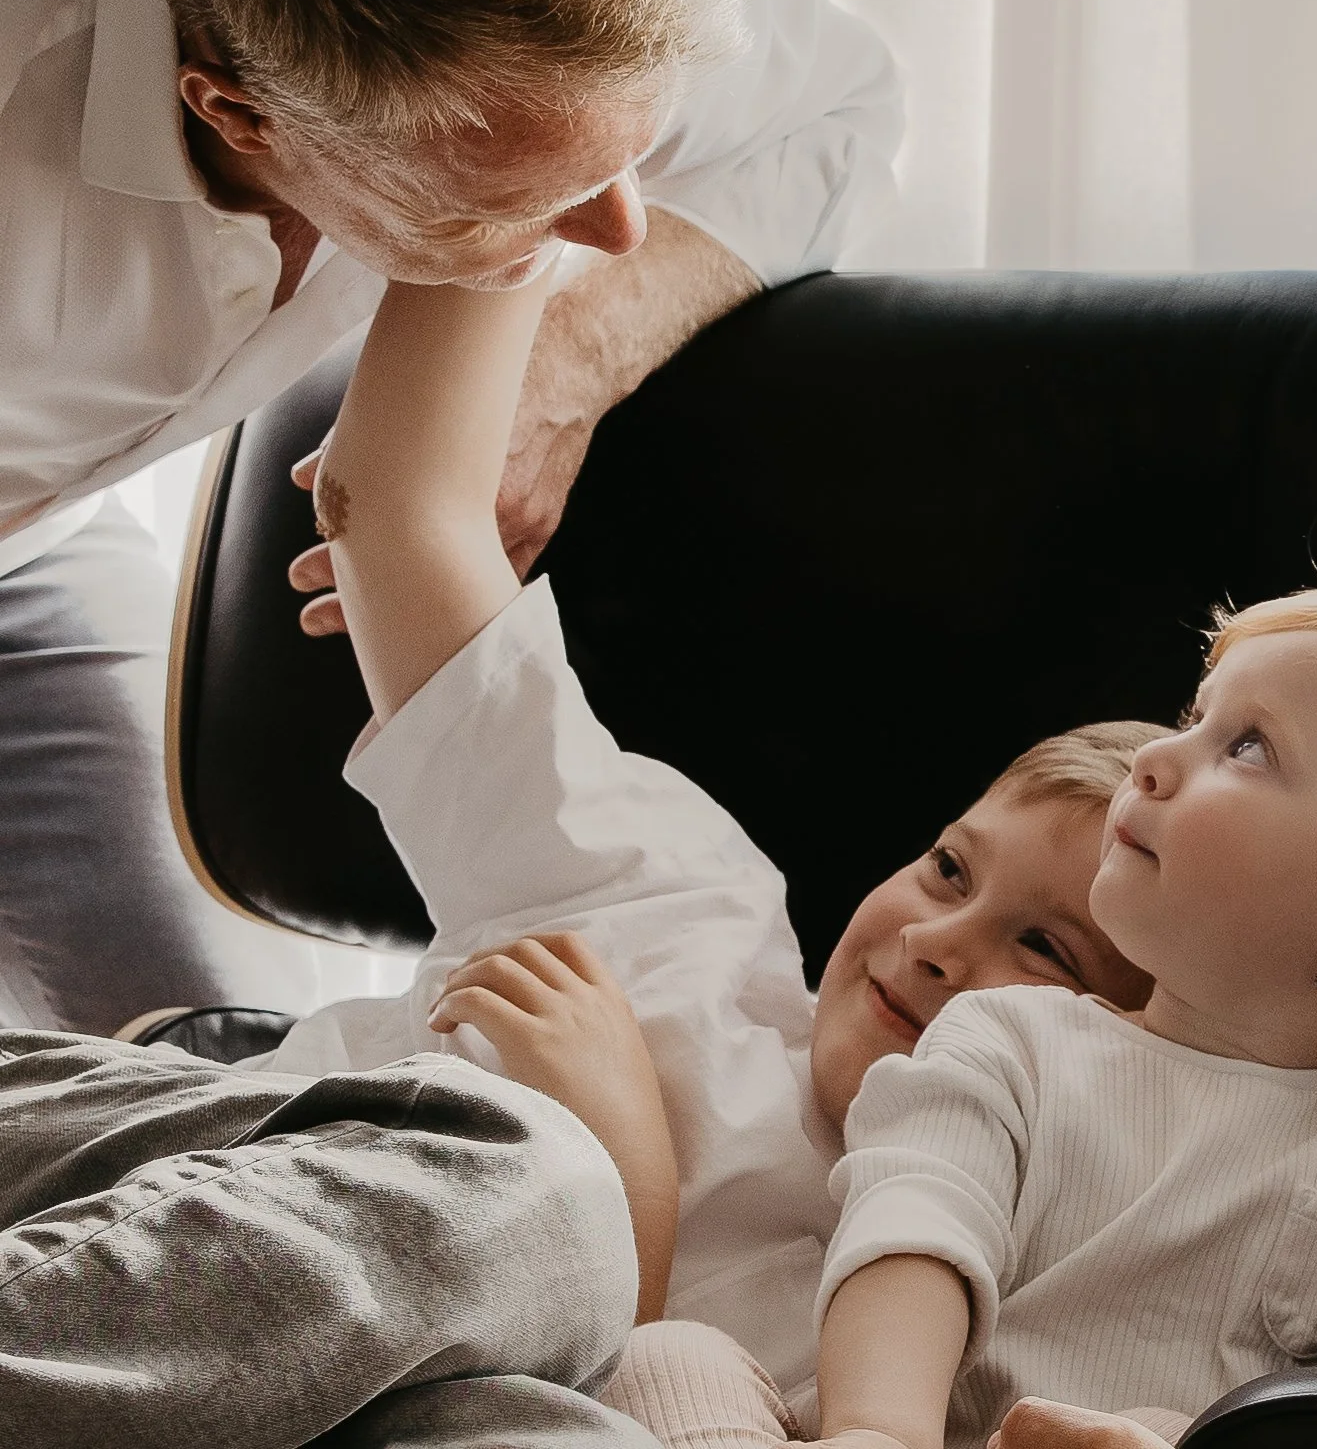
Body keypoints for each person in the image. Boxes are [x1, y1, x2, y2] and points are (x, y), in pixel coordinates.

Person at [0, 262, 1159, 1444]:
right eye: (948, 869)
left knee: (550, 1257)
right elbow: (394, 508)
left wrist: (631, 1194)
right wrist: (508, 196)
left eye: (1047, 948)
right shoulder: (674, 909)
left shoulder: (962, 1319)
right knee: (527, 1192)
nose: (933, 941)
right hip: (146, 1180)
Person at [0, 0, 901, 1030]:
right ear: (235, 113)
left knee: (215, 1091)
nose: (613, 230)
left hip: (33, 569)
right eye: (523, 198)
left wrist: (564, 355)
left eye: (629, 152)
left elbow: (840, 106)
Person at [612, 591, 1317, 1449]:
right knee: (670, 1359)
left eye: (1246, 748)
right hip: (912, 1433)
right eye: (1197, 716)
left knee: (1171, 1436)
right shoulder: (1014, 1043)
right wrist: (879, 1430)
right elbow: (913, 1230)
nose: (1159, 759)